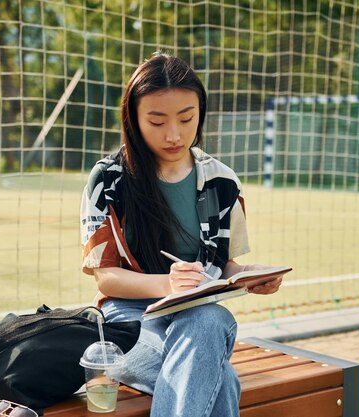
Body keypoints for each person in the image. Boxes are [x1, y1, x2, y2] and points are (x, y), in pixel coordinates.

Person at [80, 52, 286, 417]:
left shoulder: (222, 182)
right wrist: (169, 285)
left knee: (207, 319)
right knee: (220, 378)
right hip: (129, 327)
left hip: (196, 316)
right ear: (134, 119)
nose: (173, 134)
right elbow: (107, 278)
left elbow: (224, 266)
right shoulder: (108, 179)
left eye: (186, 119)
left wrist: (249, 277)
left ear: (200, 114)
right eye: (156, 121)